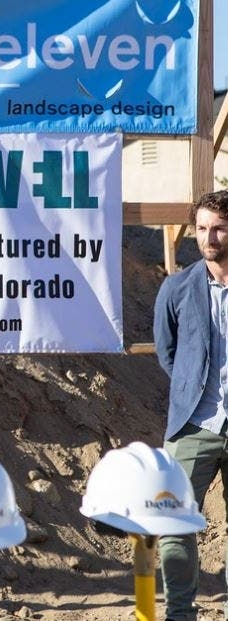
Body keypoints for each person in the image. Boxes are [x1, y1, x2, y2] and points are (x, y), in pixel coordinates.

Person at [154, 188, 228, 621]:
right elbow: (168, 353)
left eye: (218, 228)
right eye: (201, 228)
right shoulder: (176, 287)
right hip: (193, 424)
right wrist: (191, 390)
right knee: (174, 522)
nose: (209, 237)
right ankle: (181, 613)